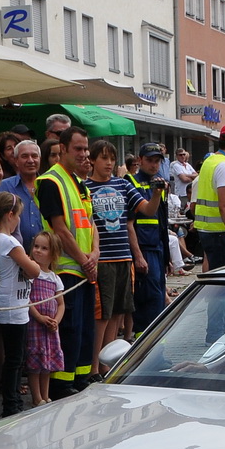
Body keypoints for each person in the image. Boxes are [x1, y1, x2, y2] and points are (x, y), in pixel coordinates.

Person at [34, 125, 97, 397]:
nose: (84, 154)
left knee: (84, 329)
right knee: (69, 330)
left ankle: (81, 378)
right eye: (78, 149)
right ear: (63, 149)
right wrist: (84, 259)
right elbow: (59, 228)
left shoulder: (79, 183)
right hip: (66, 270)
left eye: (86, 148)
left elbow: (91, 222)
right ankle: (61, 384)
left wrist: (95, 253)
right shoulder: (51, 182)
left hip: (84, 268)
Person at [85, 139, 148, 361]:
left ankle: (106, 363)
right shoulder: (86, 187)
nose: (109, 163)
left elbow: (147, 209)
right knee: (102, 314)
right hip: (103, 259)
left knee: (118, 313)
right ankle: (93, 365)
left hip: (124, 256)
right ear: (91, 160)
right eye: (103, 158)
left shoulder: (123, 184)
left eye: (112, 158)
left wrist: (158, 193)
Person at [0, 191, 39, 416]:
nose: (19, 219)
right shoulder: (8, 241)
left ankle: (13, 398)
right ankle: (11, 403)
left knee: (14, 356)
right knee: (15, 358)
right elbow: (34, 270)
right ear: (10, 215)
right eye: (17, 215)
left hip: (14, 302)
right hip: (12, 305)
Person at [129, 143, 170, 333]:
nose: (154, 165)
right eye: (149, 160)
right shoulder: (130, 182)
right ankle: (144, 345)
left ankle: (155, 346)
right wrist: (137, 255)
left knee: (158, 298)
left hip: (157, 248)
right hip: (143, 248)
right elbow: (130, 223)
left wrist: (167, 256)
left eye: (157, 161)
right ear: (139, 160)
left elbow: (162, 222)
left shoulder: (159, 184)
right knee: (148, 300)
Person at [195, 126, 225, 272]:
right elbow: (224, 206)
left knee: (213, 275)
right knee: (222, 278)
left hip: (206, 228)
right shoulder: (223, 166)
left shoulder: (209, 161)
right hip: (219, 232)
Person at [24, 231, 65, 405]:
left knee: (46, 363)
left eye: (44, 248)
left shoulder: (55, 278)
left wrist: (56, 320)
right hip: (36, 324)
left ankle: (46, 395)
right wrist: (39, 317)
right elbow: (27, 298)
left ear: (53, 254)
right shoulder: (31, 273)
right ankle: (36, 398)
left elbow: (61, 303)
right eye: (36, 246)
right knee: (35, 362)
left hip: (50, 328)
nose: (38, 251)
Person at [0, 139, 44, 249]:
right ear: (16, 161)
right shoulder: (4, 187)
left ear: (40, 159)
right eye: (24, 156)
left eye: (34, 156)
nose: (30, 160)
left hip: (46, 257)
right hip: (14, 256)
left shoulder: (49, 186)